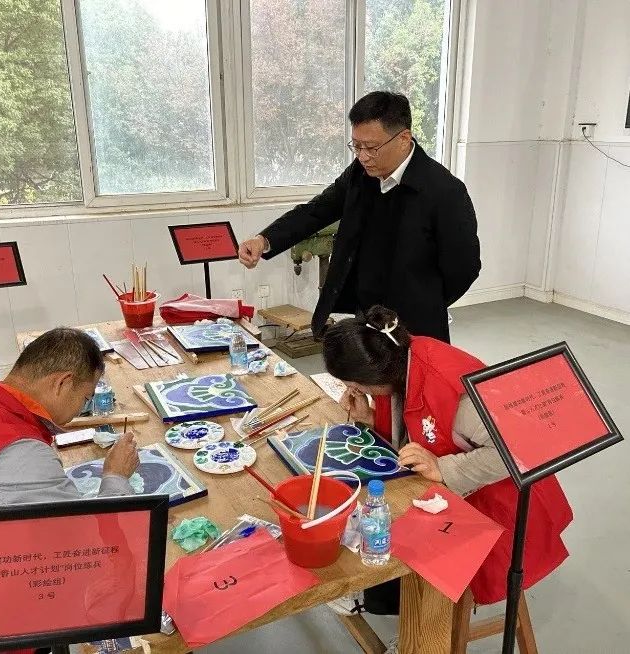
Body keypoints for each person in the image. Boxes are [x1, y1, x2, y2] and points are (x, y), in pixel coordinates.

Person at [322, 305, 573, 647]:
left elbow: (516, 451)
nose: (351, 390)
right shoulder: (400, 357)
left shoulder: (450, 388)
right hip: (466, 486)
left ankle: (424, 640)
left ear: (374, 376)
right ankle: (395, 609)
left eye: (353, 385)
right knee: (374, 501)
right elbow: (416, 424)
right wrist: (369, 417)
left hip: (504, 500)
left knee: (391, 524)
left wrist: (444, 468)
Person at [238, 91, 480, 342]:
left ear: (403, 138)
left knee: (411, 369)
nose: (363, 156)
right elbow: (317, 210)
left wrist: (426, 301)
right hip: (366, 315)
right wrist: (264, 240)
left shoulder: (445, 191)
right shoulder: (361, 173)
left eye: (372, 148)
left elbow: (464, 268)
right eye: (356, 146)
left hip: (415, 326)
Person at [0, 327, 139, 508]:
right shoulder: (26, 457)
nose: (80, 410)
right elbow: (85, 526)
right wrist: (116, 476)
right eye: (86, 399)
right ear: (63, 383)